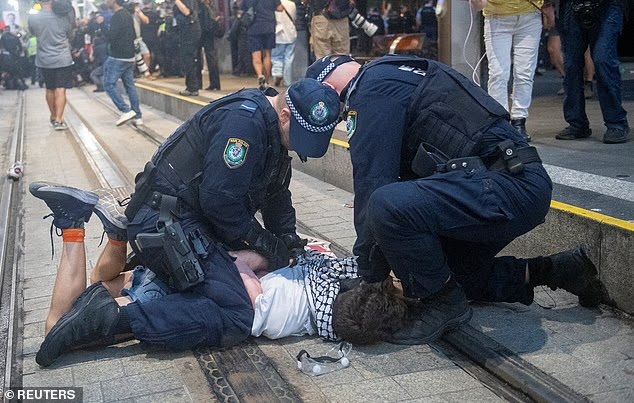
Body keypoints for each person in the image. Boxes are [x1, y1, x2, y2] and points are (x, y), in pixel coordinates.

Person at [30, 78, 341, 367]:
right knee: (237, 313)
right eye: (302, 137)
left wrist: (288, 241)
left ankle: (109, 243)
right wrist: (267, 246)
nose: (301, 147)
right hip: (168, 222)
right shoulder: (244, 124)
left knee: (208, 279)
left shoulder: (271, 128)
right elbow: (221, 204)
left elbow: (276, 195)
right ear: (285, 115)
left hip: (183, 219)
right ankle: (111, 318)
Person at [306, 54, 604, 345]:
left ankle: (443, 304)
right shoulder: (395, 72)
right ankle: (558, 270)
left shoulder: (368, 90)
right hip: (509, 184)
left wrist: (368, 278)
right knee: (438, 273)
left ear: (330, 91)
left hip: (506, 185)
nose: (342, 117)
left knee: (384, 203)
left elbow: (372, 184)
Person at [469, 0, 555, 142]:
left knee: (524, 73)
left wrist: (547, 5)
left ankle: (519, 120)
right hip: (496, 17)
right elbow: (478, 5)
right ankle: (500, 121)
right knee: (498, 74)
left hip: (530, 14)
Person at [555, 0, 632, 144]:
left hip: (609, 5)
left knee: (603, 59)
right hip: (571, 6)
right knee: (571, 65)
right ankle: (577, 123)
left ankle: (616, 123)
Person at [28, 0, 75, 130]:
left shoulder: (33, 17)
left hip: (44, 59)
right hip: (62, 58)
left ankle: (53, 116)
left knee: (50, 88)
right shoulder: (63, 16)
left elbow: (32, 32)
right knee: (61, 88)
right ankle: (59, 120)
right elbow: (69, 32)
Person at [102, 0, 143, 126]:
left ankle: (126, 110)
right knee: (130, 86)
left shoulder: (117, 16)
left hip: (118, 56)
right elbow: (133, 34)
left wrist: (102, 26)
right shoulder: (127, 15)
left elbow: (111, 37)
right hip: (129, 56)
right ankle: (138, 116)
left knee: (108, 84)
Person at [242, 0, 282, 90]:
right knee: (267, 55)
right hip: (268, 27)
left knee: (256, 56)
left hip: (253, 28)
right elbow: (280, 8)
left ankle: (260, 75)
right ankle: (267, 81)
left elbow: (243, 9)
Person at [174, 0, 202, 96]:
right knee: (188, 60)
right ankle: (192, 86)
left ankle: (193, 87)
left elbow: (186, 12)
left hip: (190, 31)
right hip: (185, 31)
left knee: (189, 59)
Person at [197, 0, 223, 91]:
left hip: (202, 33)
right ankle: (215, 84)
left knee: (198, 58)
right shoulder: (212, 6)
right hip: (210, 34)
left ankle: (198, 84)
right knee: (211, 58)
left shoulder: (200, 6)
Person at [272, 0, 297, 87]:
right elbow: (294, 18)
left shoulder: (275, 3)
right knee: (289, 58)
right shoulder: (292, 4)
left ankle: (277, 73)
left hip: (278, 33)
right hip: (290, 33)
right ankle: (288, 81)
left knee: (276, 56)